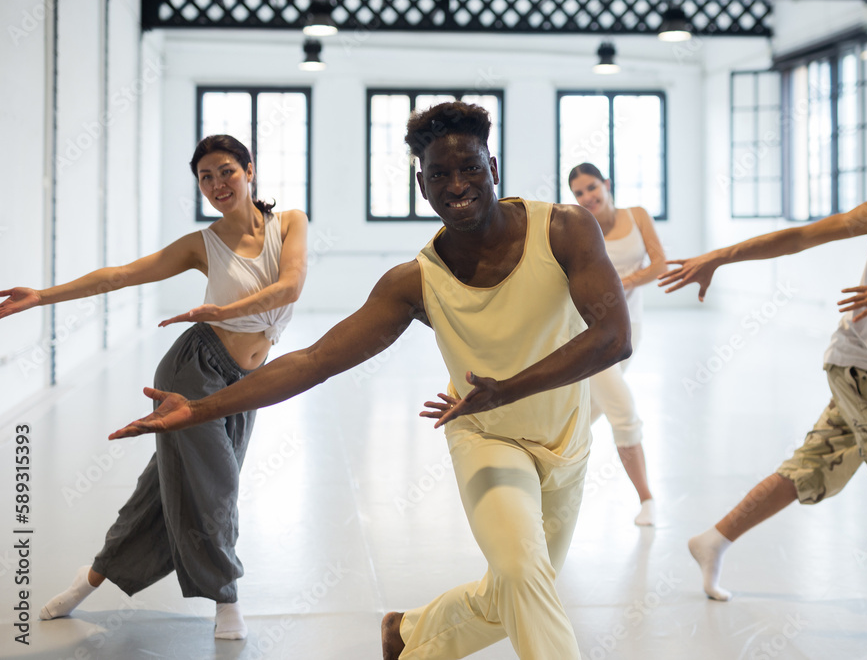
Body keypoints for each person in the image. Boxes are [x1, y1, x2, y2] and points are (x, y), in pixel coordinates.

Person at [109, 102, 631, 659]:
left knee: (519, 592)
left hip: (566, 442)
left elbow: (614, 336)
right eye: (439, 175)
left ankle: (407, 636)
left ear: (493, 168)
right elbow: (314, 360)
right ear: (421, 186)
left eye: (470, 168)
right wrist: (199, 409)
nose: (457, 185)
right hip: (485, 437)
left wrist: (507, 387)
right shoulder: (415, 281)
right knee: (524, 574)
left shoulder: (563, 230)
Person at [659, 119, 867, 646]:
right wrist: (718, 257)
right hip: (857, 364)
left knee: (812, 470)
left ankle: (712, 539)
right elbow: (800, 236)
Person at [0, 134, 308, 639]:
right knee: (216, 485)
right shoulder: (201, 245)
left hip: (246, 380)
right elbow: (119, 276)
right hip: (194, 372)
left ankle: (91, 576)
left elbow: (291, 285)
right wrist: (41, 297)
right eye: (205, 177)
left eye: (225, 171)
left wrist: (221, 309)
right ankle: (226, 595)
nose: (216, 184)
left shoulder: (290, 223)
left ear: (249, 170)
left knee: (161, 493)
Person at [567, 162, 665, 525]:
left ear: (607, 185)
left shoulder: (637, 215)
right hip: (590, 329)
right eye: (579, 193)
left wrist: (624, 282)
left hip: (630, 326)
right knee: (621, 407)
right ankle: (647, 499)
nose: (587, 197)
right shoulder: (579, 228)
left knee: (583, 414)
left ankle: (543, 478)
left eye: (592, 188)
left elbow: (659, 264)